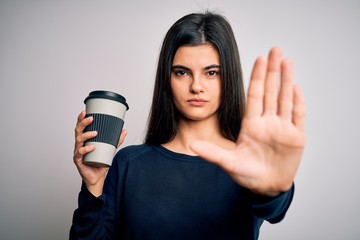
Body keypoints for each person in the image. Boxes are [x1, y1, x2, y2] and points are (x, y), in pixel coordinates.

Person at [70, 11, 305, 240]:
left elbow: (272, 209)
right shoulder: (129, 163)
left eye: (211, 72)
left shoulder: (246, 163)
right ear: (167, 78)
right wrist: (93, 183)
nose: (196, 86)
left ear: (229, 78)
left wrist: (273, 189)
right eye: (182, 72)